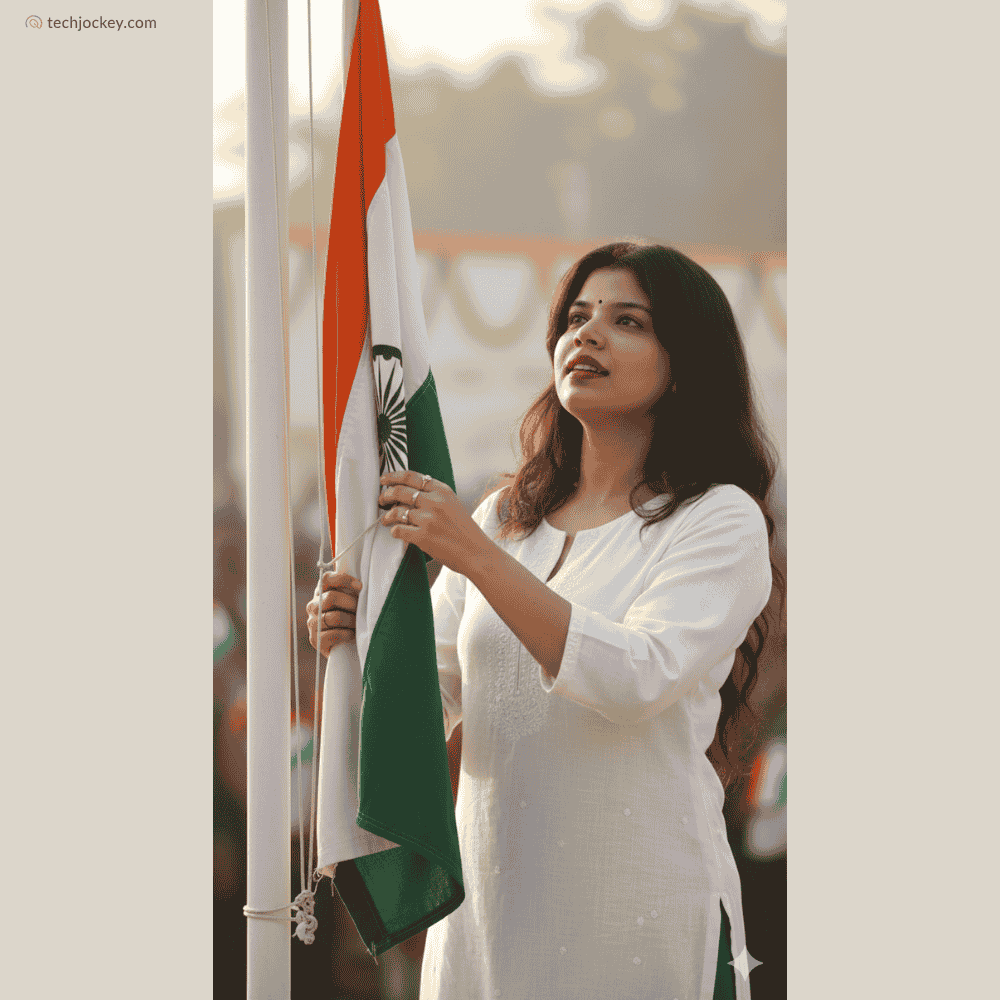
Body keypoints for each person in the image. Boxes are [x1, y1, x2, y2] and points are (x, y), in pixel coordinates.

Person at [307, 243, 780, 1000]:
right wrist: (355, 642)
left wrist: (475, 559)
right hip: (492, 912)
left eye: (628, 321)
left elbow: (634, 676)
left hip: (637, 917)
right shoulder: (507, 519)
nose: (586, 335)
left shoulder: (716, 519)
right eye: (576, 317)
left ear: (684, 365)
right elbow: (424, 710)